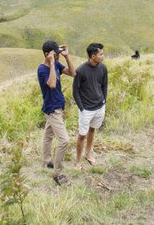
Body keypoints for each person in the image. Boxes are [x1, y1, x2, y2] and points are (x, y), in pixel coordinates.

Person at [37, 40, 76, 186]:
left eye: (57, 54)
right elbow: (52, 84)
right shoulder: (42, 70)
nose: (57, 57)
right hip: (52, 109)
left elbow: (73, 73)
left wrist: (66, 56)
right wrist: (52, 63)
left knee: (48, 135)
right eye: (54, 55)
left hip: (57, 106)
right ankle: (57, 173)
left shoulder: (58, 64)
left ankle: (47, 161)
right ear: (47, 54)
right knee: (64, 140)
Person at [73, 42, 108, 169]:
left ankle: (88, 154)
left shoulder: (103, 68)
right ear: (93, 56)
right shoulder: (81, 70)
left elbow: (104, 85)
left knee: (92, 129)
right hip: (86, 109)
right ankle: (78, 162)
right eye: (101, 54)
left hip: (99, 106)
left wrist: (104, 101)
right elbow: (75, 91)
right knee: (82, 135)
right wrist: (81, 108)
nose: (103, 56)